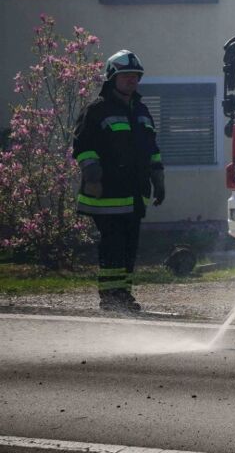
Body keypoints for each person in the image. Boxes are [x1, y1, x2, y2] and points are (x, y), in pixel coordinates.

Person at [72, 50, 165, 312]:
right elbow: (83, 146)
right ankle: (110, 297)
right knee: (112, 245)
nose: (131, 80)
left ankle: (123, 294)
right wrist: (92, 175)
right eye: (126, 76)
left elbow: (152, 149)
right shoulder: (97, 110)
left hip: (134, 194)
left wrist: (158, 178)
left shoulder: (142, 111)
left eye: (135, 76)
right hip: (107, 194)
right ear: (112, 78)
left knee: (129, 247)